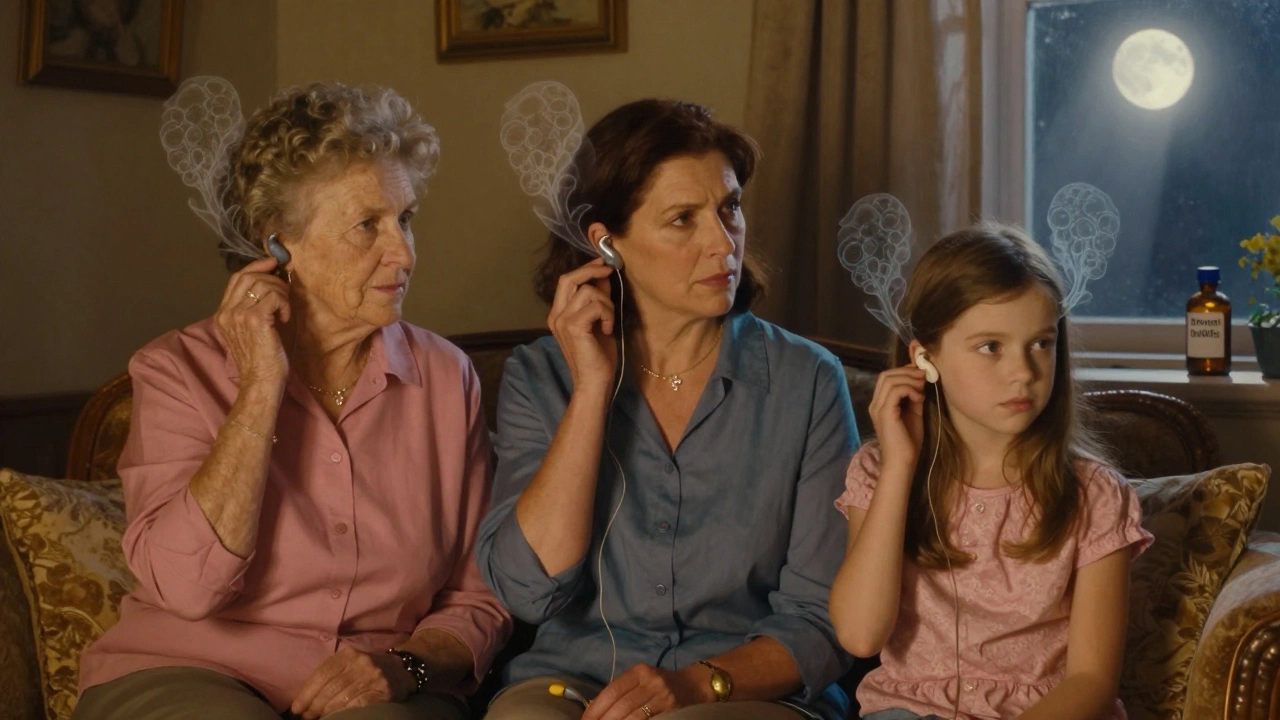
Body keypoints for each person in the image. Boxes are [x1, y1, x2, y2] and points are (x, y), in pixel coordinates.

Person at [74, 82, 511, 720]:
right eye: (369, 225)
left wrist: (407, 665)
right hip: (188, 670)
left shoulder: (446, 377)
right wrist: (259, 387)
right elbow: (187, 588)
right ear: (278, 244)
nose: (404, 252)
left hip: (377, 684)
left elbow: (479, 594)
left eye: (406, 219)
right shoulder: (176, 370)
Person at [477, 98, 858, 720]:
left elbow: (823, 619)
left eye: (729, 207)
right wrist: (593, 390)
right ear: (606, 245)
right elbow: (527, 589)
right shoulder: (539, 375)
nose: (723, 242)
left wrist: (694, 685)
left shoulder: (807, 380)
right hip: (573, 684)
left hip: (743, 690)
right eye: (683, 219)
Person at [829, 223, 1153, 719]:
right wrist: (900, 466)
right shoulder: (878, 472)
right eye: (991, 347)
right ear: (925, 357)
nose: (1023, 371)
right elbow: (859, 634)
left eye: (1041, 344)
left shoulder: (1094, 496)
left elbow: (1091, 681)